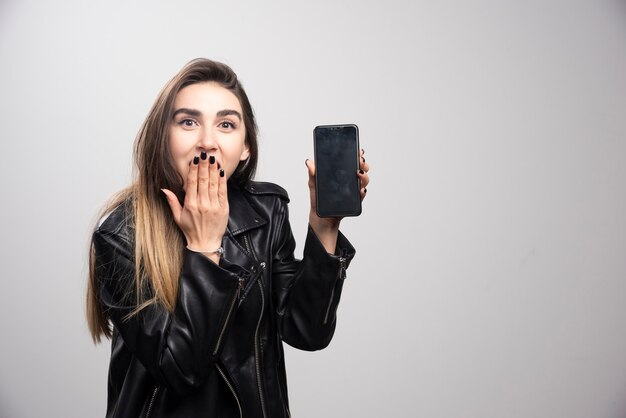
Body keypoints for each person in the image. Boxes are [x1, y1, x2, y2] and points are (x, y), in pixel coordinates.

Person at [86, 58, 370, 418]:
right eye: (188, 122)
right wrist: (204, 248)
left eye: (226, 124)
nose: (208, 141)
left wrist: (325, 227)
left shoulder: (266, 212)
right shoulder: (121, 236)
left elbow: (307, 332)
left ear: (246, 146)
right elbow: (181, 371)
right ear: (163, 137)